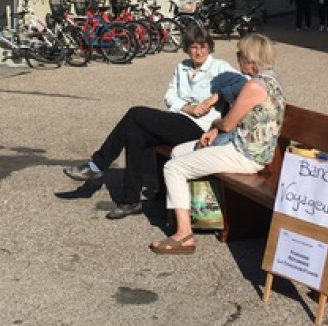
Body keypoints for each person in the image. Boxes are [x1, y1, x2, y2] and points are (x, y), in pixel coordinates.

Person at [63, 26, 240, 219]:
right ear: (187, 48)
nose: (198, 52)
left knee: (136, 113)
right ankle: (130, 201)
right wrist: (188, 107)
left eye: (203, 47)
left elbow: (245, 82)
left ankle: (97, 165)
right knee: (134, 136)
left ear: (210, 47)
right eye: (193, 47)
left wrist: (215, 97)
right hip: (181, 120)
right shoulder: (183, 67)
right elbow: (170, 96)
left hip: (201, 128)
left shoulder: (220, 68)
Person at [150, 34, 286, 255]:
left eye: (240, 55)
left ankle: (184, 235)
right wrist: (215, 130)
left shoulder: (254, 87)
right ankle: (196, 212)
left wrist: (215, 122)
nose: (238, 59)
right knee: (178, 151)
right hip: (245, 147)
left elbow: (229, 123)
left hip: (245, 155)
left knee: (172, 168)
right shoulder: (271, 80)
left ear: (250, 60)